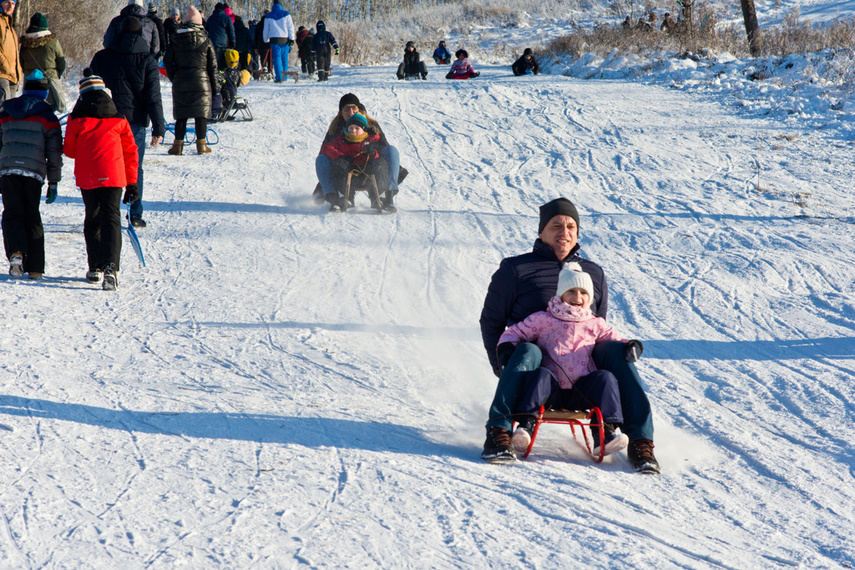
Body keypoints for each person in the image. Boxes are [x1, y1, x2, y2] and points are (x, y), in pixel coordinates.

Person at [479, 197, 660, 474]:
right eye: (556, 225)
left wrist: (621, 350)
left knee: (615, 352)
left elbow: (597, 326)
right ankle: (498, 432)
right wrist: (503, 364)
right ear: (541, 232)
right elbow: (492, 322)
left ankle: (640, 442)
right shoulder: (515, 269)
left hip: (578, 371)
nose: (564, 232)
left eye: (571, 226)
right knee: (528, 350)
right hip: (532, 367)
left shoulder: (594, 274)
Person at [498, 262, 644, 457]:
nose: (577, 297)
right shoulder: (543, 318)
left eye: (583, 293)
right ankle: (525, 427)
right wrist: (507, 347)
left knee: (605, 378)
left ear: (590, 298)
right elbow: (515, 332)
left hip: (581, 391)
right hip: (550, 391)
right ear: (561, 295)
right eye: (572, 291)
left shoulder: (595, 323)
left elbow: (616, 339)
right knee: (540, 374)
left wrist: (632, 345)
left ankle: (605, 434)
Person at [63, 73, 138, 291]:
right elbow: (131, 153)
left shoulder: (77, 120)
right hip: (114, 176)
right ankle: (111, 269)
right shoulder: (120, 119)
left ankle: (95, 266)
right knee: (112, 218)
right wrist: (132, 184)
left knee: (92, 217)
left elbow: (69, 151)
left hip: (88, 177)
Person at [89, 15, 165, 229]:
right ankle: (135, 213)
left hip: (104, 121)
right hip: (134, 122)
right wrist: (158, 127)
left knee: (104, 165)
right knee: (134, 167)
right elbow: (153, 97)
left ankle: (102, 211)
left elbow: (90, 90)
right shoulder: (147, 60)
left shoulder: (101, 57)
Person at [0, 71, 62, 280]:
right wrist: (53, 181)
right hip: (33, 172)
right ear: (44, 93)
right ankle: (35, 268)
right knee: (32, 215)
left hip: (8, 169)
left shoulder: (6, 112)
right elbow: (54, 153)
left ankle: (16, 253)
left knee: (12, 213)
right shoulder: (48, 117)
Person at [314, 93, 403, 209]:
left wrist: (371, 150)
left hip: (370, 167)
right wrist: (339, 156)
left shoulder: (372, 126)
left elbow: (383, 146)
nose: (351, 112)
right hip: (343, 169)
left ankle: (387, 195)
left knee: (391, 151)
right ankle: (334, 198)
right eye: (346, 109)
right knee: (321, 159)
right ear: (341, 112)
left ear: (359, 108)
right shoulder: (336, 129)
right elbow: (325, 150)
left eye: (353, 108)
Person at [163, 6, 218, 156]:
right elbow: (213, 66)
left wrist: (174, 77)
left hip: (181, 80)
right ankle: (201, 146)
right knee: (201, 115)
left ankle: (177, 147)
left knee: (182, 114)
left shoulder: (175, 39)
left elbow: (167, 61)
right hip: (202, 81)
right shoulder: (206, 40)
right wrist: (215, 87)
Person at [319, 113, 392, 212]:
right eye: (351, 128)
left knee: (380, 163)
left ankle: (379, 198)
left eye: (357, 128)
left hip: (366, 174)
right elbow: (327, 148)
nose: (353, 131)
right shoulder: (341, 139)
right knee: (339, 163)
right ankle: (345, 198)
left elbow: (377, 156)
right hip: (347, 172)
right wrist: (340, 156)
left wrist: (372, 153)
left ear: (363, 130)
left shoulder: (370, 141)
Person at [19, 12, 67, 113]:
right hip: (48, 82)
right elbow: (61, 63)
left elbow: (22, 63)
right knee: (48, 113)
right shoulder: (53, 42)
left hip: (29, 84)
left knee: (30, 111)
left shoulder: (24, 44)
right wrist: (55, 75)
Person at [262, 0, 295, 83]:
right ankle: (284, 77)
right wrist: (292, 38)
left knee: (277, 58)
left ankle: (279, 77)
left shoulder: (268, 16)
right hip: (285, 39)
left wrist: (266, 40)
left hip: (274, 39)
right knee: (284, 58)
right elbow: (290, 27)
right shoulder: (286, 14)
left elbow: (266, 30)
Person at [0, 0, 22, 103]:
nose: (10, 6)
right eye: (6, 2)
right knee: (3, 110)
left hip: (13, 76)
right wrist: (5, 66)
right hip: (2, 73)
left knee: (10, 114)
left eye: (13, 3)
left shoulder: (10, 25)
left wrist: (18, 70)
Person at [206, 2, 235, 69]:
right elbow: (231, 31)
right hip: (223, 46)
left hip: (212, 45)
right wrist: (232, 41)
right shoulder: (226, 18)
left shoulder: (210, 18)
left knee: (213, 65)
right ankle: (221, 78)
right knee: (222, 65)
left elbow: (205, 30)